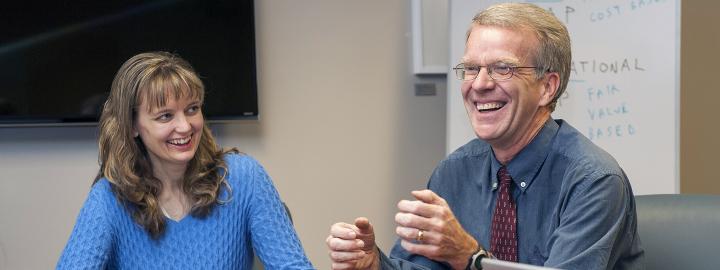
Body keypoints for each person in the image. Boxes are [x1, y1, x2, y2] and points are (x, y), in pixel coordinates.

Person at [327, 3, 644, 270]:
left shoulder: (593, 181)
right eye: (470, 68)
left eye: (502, 68)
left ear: (547, 87)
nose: (479, 84)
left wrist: (470, 257)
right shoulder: (454, 172)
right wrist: (374, 264)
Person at [57, 52, 314, 269]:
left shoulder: (244, 178)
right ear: (133, 125)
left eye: (192, 109)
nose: (185, 126)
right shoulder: (109, 198)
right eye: (165, 116)